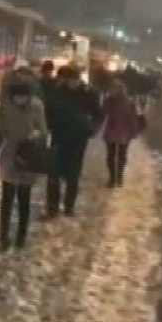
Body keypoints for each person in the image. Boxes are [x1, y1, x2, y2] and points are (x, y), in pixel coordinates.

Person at [43, 66, 102, 219]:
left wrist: (92, 129)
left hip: (78, 139)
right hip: (58, 137)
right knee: (53, 174)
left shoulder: (89, 93)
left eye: (75, 80)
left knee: (73, 175)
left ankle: (69, 207)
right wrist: (48, 126)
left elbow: (98, 114)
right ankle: (52, 208)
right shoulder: (57, 92)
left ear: (79, 79)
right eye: (69, 80)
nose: (72, 83)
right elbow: (47, 111)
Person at [0, 82, 48, 250]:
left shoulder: (36, 106)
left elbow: (44, 130)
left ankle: (21, 236)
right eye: (17, 97)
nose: (20, 100)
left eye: (23, 97)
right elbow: (1, 128)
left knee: (24, 198)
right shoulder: (6, 106)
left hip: (28, 155)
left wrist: (36, 134)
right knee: (7, 198)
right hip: (10, 155)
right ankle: (3, 236)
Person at [102, 80, 140, 187]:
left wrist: (134, 130)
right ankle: (116, 178)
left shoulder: (126, 101)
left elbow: (133, 117)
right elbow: (104, 111)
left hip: (118, 131)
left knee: (116, 155)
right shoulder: (112, 100)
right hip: (120, 131)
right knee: (116, 156)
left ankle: (116, 178)